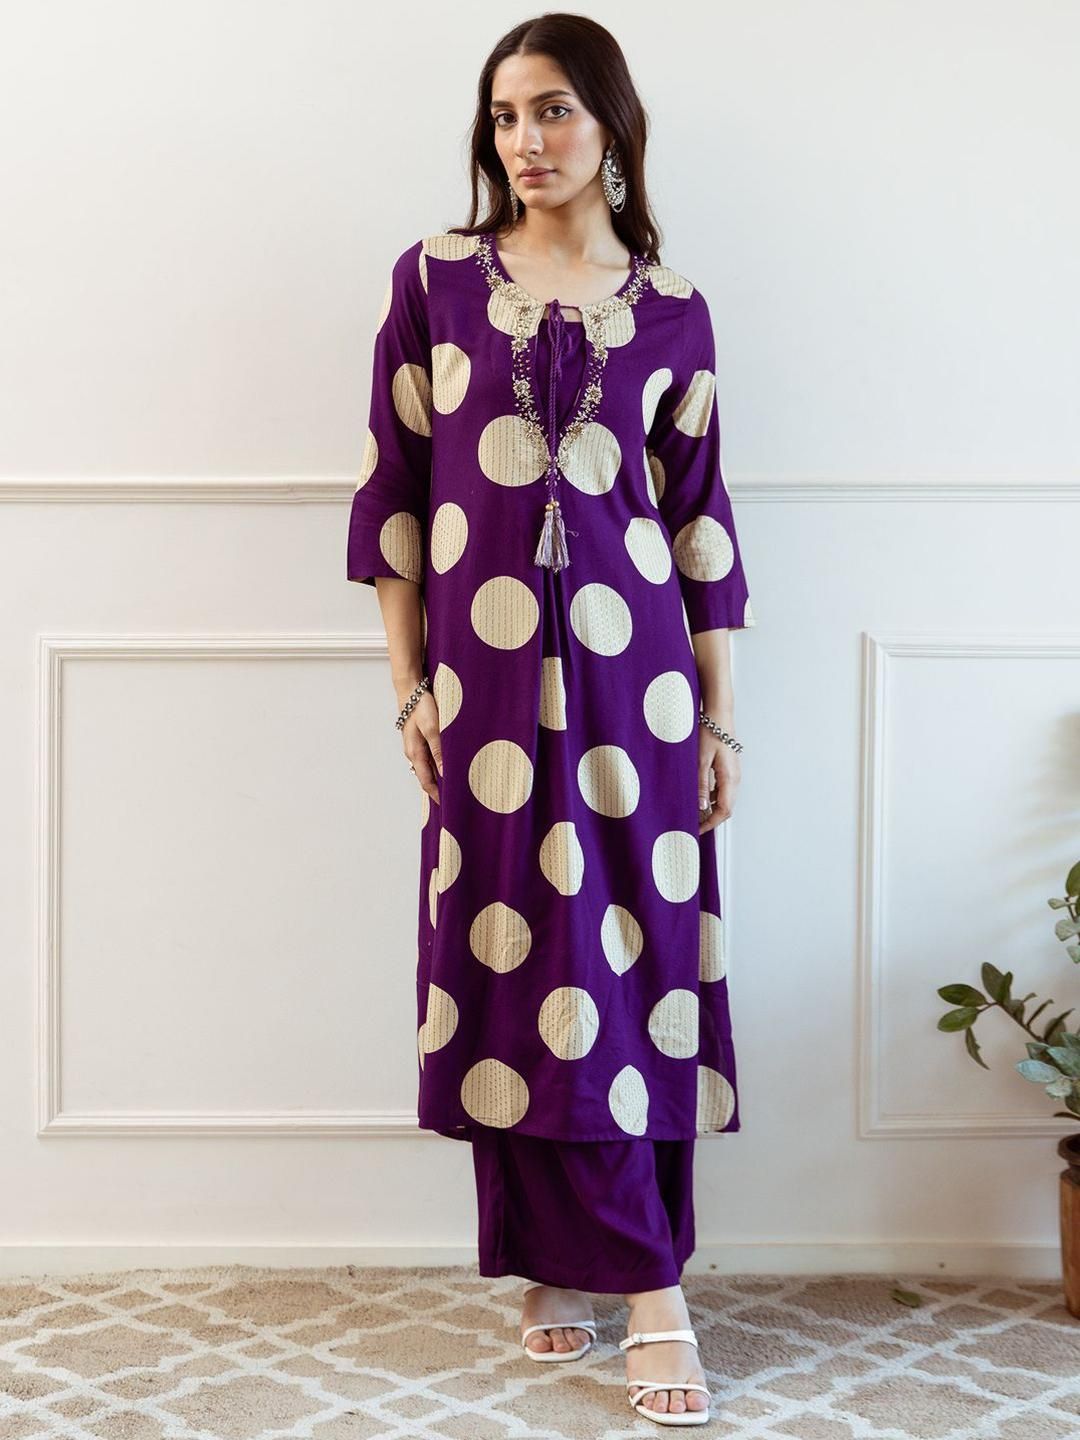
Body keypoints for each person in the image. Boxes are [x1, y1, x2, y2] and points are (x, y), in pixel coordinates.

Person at [346, 13, 754, 1427]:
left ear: (612, 128)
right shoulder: (435, 280)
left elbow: (698, 522)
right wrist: (409, 685)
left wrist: (720, 720)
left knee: (629, 970)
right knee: (513, 960)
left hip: (641, 695)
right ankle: (548, 1255)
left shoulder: (676, 308)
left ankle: (650, 1285)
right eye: (507, 115)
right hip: (487, 690)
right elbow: (395, 493)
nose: (526, 140)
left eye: (556, 111)